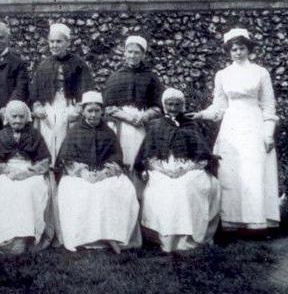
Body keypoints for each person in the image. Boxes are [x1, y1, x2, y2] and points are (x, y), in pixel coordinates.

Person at [187, 28, 280, 233]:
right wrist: (201, 114)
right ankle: (232, 222)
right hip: (231, 127)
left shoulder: (260, 72)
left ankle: (256, 222)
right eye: (233, 49)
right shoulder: (223, 75)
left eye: (241, 48)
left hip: (254, 125)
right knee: (231, 172)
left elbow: (268, 105)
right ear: (228, 51)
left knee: (253, 171)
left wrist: (268, 132)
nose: (237, 52)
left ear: (248, 49)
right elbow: (219, 108)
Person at [135, 88, 221, 252]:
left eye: (177, 104)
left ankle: (188, 239)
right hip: (161, 167)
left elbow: (202, 155)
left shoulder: (192, 124)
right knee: (165, 188)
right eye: (169, 104)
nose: (173, 108)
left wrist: (185, 169)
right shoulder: (156, 125)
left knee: (187, 187)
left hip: (190, 166)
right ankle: (166, 240)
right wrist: (165, 170)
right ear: (164, 105)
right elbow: (148, 156)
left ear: (182, 105)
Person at [56, 91, 141, 254]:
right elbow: (67, 158)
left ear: (102, 111)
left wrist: (104, 173)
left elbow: (116, 155)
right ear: (83, 111)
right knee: (81, 191)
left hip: (104, 172)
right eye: (89, 111)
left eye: (96, 110)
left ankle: (112, 236)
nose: (93, 114)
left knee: (118, 189)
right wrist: (83, 173)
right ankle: (85, 237)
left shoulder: (108, 132)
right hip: (79, 174)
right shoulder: (75, 131)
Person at [0, 100, 50, 255]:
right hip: (7, 170)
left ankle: (25, 237)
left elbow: (45, 160)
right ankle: (2, 236)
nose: (18, 120)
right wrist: (6, 170)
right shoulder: (0, 136)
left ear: (27, 118)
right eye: (14, 116)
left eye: (21, 116)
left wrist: (27, 172)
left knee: (29, 189)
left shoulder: (35, 135)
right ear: (7, 117)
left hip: (30, 171)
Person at [102, 35, 163, 195]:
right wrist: (127, 117)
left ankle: (141, 199)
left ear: (143, 54)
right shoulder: (116, 77)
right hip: (121, 125)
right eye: (129, 52)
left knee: (140, 160)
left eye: (137, 52)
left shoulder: (151, 77)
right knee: (123, 159)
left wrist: (145, 116)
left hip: (143, 126)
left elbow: (158, 106)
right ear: (124, 53)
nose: (132, 56)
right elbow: (108, 107)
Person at [30, 23, 95, 162]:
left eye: (59, 41)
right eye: (51, 41)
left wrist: (78, 109)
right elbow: (34, 92)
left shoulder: (79, 64)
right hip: (48, 107)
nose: (54, 45)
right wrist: (37, 107)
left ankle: (64, 168)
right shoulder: (43, 65)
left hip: (69, 106)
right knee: (46, 135)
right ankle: (48, 168)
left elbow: (86, 90)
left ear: (68, 42)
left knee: (65, 133)